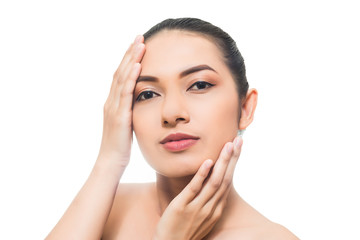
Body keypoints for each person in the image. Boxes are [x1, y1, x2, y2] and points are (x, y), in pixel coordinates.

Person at [46, 18, 299, 239]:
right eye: (147, 94)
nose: (171, 113)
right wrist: (109, 159)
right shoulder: (105, 208)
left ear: (245, 108)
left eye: (199, 85)